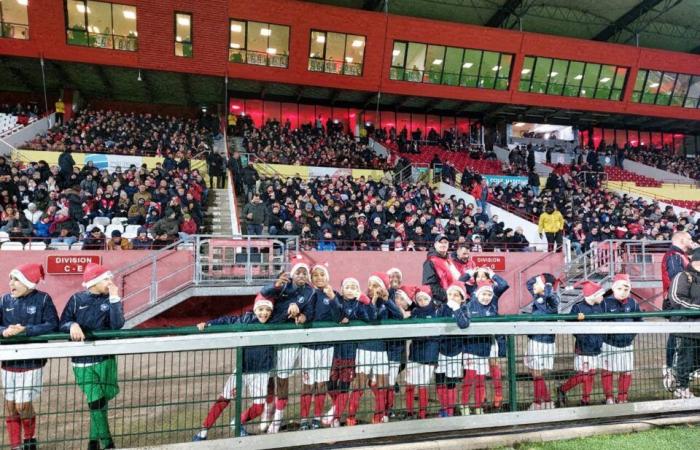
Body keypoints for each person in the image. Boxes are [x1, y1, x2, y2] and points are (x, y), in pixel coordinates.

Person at [192, 294, 275, 440]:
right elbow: (227, 320)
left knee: (258, 408)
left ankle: (237, 423)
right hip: (243, 370)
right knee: (224, 399)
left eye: (267, 309)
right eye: (261, 309)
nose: (264, 313)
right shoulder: (245, 320)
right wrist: (208, 324)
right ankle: (203, 431)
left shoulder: (275, 321)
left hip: (262, 372)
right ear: (255, 310)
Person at [59, 263, 124, 450]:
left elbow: (117, 324)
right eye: (106, 278)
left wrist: (114, 298)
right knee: (95, 400)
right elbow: (61, 323)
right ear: (94, 282)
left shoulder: (112, 300)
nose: (110, 282)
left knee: (101, 401)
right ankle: (108, 443)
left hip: (106, 358)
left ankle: (92, 442)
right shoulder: (76, 299)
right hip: (82, 361)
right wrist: (71, 324)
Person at [1, 264, 58, 450]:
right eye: (10, 279)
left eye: (16, 279)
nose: (11, 283)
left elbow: (52, 324)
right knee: (10, 406)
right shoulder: (4, 301)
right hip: (8, 362)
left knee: (23, 404)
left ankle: (30, 438)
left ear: (28, 282)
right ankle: (16, 445)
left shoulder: (43, 300)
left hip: (33, 363)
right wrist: (4, 331)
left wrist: (27, 330)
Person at [259, 260, 314, 433]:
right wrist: (276, 285)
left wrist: (304, 315)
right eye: (298, 272)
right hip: (270, 336)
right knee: (268, 377)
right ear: (293, 274)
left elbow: (310, 312)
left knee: (282, 379)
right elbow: (264, 292)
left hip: (289, 339)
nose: (301, 276)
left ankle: (278, 418)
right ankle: (268, 410)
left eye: (305, 273)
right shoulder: (285, 284)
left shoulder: (310, 291)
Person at [298, 264, 341, 430]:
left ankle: (316, 417)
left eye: (322, 274)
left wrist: (333, 299)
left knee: (322, 383)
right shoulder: (306, 294)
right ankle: (303, 419)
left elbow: (339, 316)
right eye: (315, 275)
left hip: (326, 346)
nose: (318, 278)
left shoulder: (333, 294)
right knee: (307, 384)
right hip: (308, 346)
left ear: (327, 277)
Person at [327, 278, 375, 427]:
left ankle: (336, 416)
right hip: (333, 352)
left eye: (354, 286)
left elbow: (371, 318)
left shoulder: (359, 304)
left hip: (350, 353)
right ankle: (336, 408)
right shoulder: (336, 300)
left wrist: (367, 302)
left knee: (345, 385)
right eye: (347, 287)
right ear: (341, 290)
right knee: (330, 383)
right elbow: (335, 315)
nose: (350, 289)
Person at [557, 280, 606, 407]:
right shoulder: (578, 307)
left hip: (596, 346)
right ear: (593, 295)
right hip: (583, 347)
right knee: (584, 374)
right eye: (600, 294)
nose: (602, 297)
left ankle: (585, 400)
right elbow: (570, 325)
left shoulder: (601, 307)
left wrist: (601, 339)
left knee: (591, 374)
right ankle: (563, 388)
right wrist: (582, 337)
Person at [661, 231, 695, 391]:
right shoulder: (674, 256)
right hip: (679, 306)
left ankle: (677, 372)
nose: (692, 241)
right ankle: (672, 372)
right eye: (689, 239)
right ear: (682, 240)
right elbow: (677, 279)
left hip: (683, 305)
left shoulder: (679, 255)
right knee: (678, 339)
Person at [600, 274, 640, 404]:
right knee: (608, 371)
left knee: (626, 371)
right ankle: (609, 397)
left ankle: (622, 397)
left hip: (627, 344)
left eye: (626, 289)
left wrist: (630, 336)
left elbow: (639, 321)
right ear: (613, 288)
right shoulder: (604, 303)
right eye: (620, 289)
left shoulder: (633, 303)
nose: (623, 292)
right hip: (609, 344)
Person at [668, 247, 700, 399]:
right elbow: (676, 299)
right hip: (686, 327)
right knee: (685, 359)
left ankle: (677, 379)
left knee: (695, 362)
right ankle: (681, 387)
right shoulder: (683, 276)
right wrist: (697, 308)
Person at [524, 274, 559, 410]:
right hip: (535, 339)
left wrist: (548, 285)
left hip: (543, 341)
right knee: (535, 373)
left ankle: (539, 403)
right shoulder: (538, 296)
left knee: (537, 373)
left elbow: (552, 302)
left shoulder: (552, 298)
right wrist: (540, 278)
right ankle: (546, 402)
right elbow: (528, 283)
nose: (534, 285)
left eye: (537, 283)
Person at [462, 281, 498, 415]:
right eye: (484, 293)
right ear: (477, 294)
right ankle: (464, 404)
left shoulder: (492, 309)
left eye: (489, 294)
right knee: (469, 378)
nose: (486, 297)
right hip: (470, 349)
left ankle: (478, 405)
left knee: (480, 380)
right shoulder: (468, 306)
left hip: (484, 350)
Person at [435, 283, 471, 417]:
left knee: (451, 383)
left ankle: (449, 410)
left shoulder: (464, 308)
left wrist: (456, 309)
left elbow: (464, 324)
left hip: (455, 351)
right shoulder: (442, 308)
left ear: (462, 298)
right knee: (439, 381)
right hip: (440, 350)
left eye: (456, 295)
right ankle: (443, 407)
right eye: (450, 294)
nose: (452, 297)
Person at [422, 234, 461, 304]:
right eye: (441, 242)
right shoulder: (430, 262)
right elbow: (430, 286)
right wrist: (448, 295)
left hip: (453, 299)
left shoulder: (449, 261)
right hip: (441, 302)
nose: (443, 245)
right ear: (435, 245)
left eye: (445, 242)